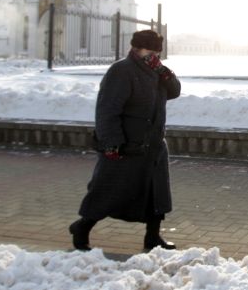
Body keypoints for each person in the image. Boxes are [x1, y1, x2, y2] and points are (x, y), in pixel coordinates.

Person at [69, 29, 181, 251]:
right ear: (136, 49)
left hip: (153, 145)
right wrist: (111, 143)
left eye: (157, 53)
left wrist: (165, 73)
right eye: (150, 52)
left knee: (155, 194)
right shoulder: (122, 70)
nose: (154, 57)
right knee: (108, 191)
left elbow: (174, 91)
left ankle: (152, 237)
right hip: (127, 147)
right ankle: (82, 227)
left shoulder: (157, 71)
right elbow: (107, 110)